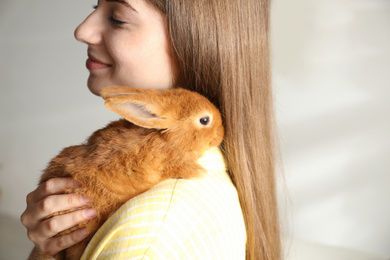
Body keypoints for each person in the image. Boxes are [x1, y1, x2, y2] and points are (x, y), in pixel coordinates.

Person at [21, 0, 282, 259]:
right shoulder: (208, 176)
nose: (82, 31)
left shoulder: (151, 232)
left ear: (194, 39)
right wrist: (48, 253)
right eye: (94, 7)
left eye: (118, 18)